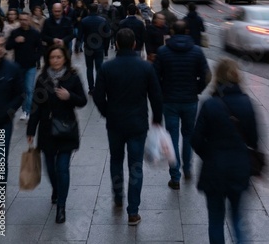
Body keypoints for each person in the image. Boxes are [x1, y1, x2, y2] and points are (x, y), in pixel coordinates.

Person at [93, 28, 163, 226]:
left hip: (115, 123)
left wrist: (107, 112)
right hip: (137, 123)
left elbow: (99, 96)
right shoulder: (145, 68)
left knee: (116, 160)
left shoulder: (107, 68)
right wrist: (157, 118)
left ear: (116, 44)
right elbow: (156, 97)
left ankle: (117, 195)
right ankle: (133, 211)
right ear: (134, 44)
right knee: (136, 166)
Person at [191, 58, 260, 244]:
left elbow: (196, 139)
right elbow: (254, 139)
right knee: (237, 218)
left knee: (215, 220)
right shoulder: (247, 103)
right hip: (239, 169)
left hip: (214, 169)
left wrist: (209, 154)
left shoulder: (209, 104)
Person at [27, 45, 87, 224]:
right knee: (50, 168)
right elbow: (35, 106)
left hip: (66, 129)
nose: (55, 61)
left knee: (62, 168)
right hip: (46, 131)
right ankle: (56, 188)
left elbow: (83, 100)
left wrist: (70, 96)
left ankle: (61, 206)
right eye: (52, 57)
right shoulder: (42, 78)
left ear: (65, 59)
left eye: (58, 57)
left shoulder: (73, 77)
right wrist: (31, 130)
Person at [154, 20, 211, 189]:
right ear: (186, 31)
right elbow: (206, 75)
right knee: (188, 135)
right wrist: (197, 89)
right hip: (190, 100)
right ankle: (187, 168)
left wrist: (162, 91)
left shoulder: (163, 52)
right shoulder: (197, 51)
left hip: (169, 100)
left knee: (172, 137)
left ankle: (175, 176)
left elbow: (155, 77)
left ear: (171, 31)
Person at [0, 33, 23, 220]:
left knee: (1, 161)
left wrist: (8, 113)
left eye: (1, 45)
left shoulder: (12, 69)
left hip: (3, 124)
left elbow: (20, 95)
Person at [6, 12, 42, 121]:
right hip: (18, 66)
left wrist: (35, 58)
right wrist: (16, 41)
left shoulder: (34, 33)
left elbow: (40, 48)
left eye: (25, 19)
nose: (23, 22)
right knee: (20, 89)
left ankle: (27, 110)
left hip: (30, 66)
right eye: (21, 19)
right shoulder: (15, 32)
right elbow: (8, 46)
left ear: (29, 20)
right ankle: (20, 108)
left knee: (29, 89)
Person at [81, 4, 110, 94]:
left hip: (88, 47)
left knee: (89, 68)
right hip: (99, 47)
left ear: (89, 10)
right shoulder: (103, 20)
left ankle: (91, 87)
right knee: (99, 68)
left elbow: (80, 35)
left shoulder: (84, 21)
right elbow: (107, 35)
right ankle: (99, 87)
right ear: (97, 10)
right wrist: (106, 47)